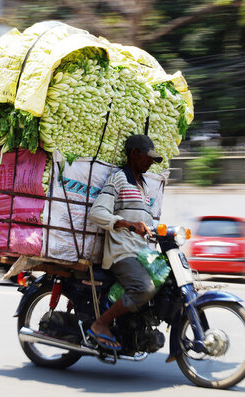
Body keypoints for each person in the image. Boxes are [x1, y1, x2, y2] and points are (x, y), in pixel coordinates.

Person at [87, 134, 163, 350]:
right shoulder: (118, 179)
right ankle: (100, 324)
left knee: (168, 282)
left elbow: (145, 222)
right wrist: (128, 224)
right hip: (122, 253)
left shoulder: (144, 186)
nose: (150, 162)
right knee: (144, 288)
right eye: (147, 157)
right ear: (133, 154)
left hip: (140, 253)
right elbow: (97, 213)